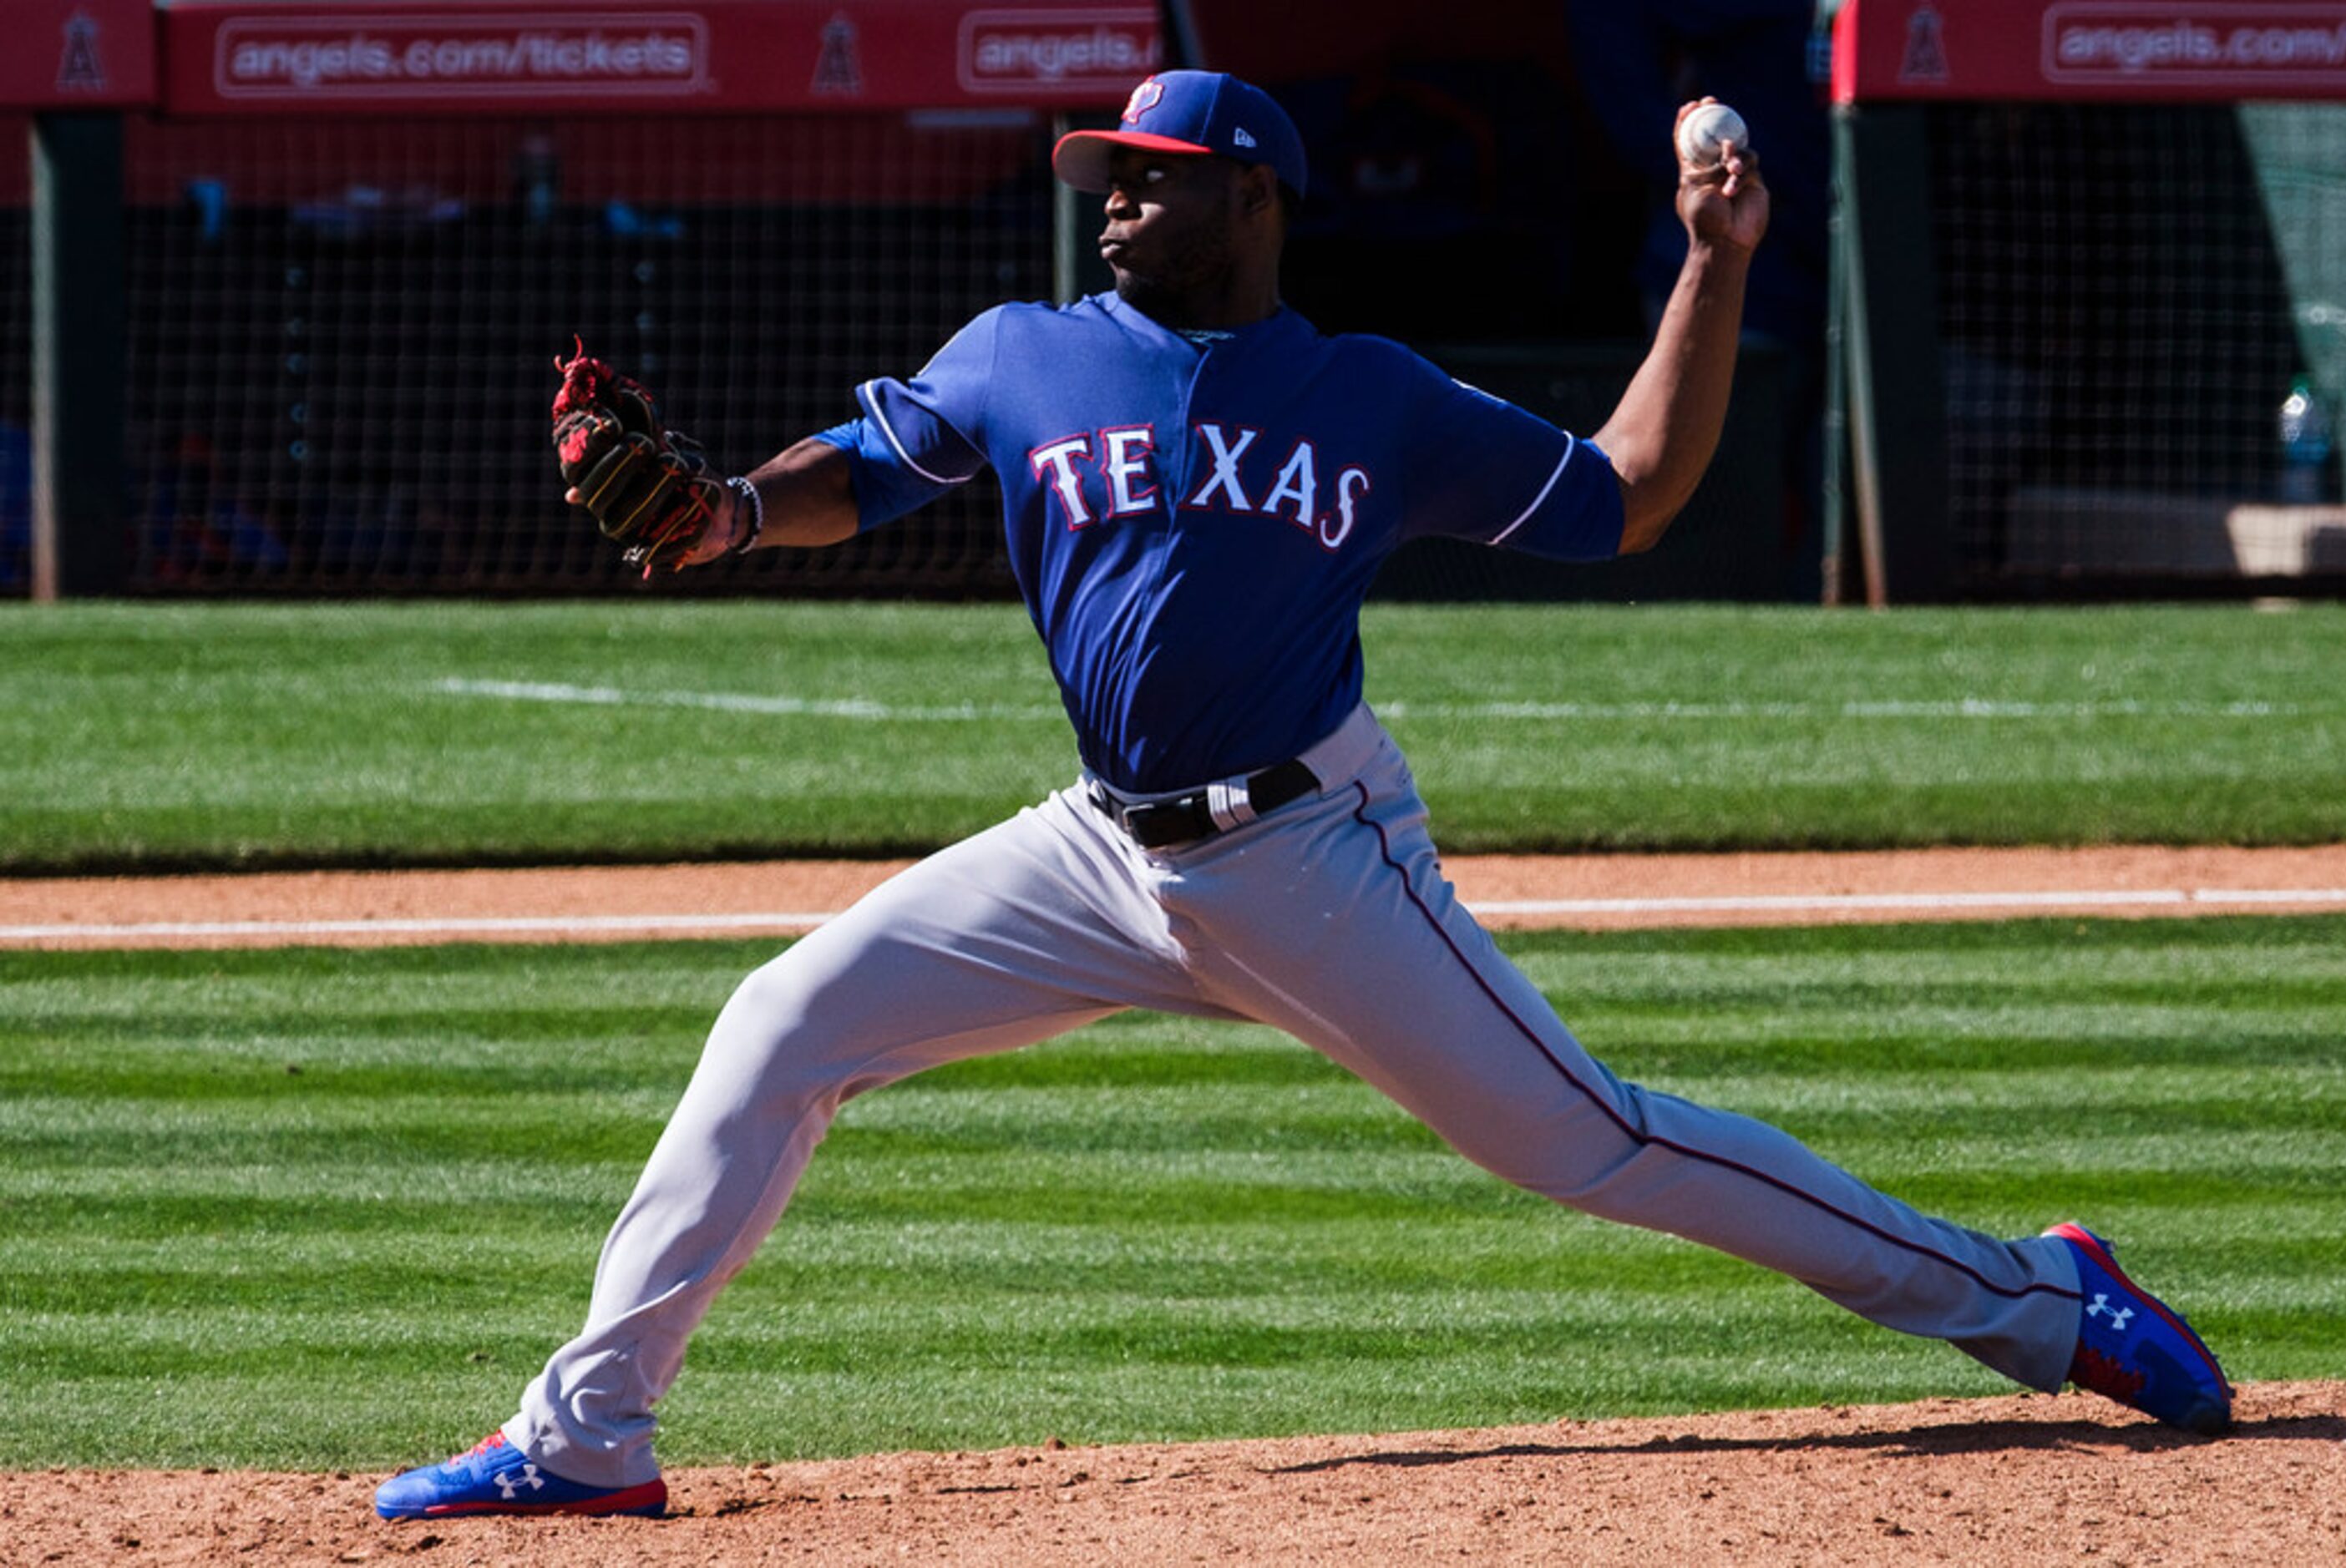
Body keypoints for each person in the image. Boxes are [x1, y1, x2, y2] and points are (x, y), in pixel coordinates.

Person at [375, 68, 2229, 1522]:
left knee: (1586, 1144)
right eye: (1103, 171)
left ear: (1253, 194)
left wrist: (1717, 262)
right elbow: (862, 470)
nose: (1113, 199)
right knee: (782, 1020)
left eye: (1152, 173)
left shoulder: (1368, 394)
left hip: (1315, 852)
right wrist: (722, 512)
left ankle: (2044, 1300)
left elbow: (1628, 493)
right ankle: (588, 1435)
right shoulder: (1023, 350)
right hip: (1094, 846)